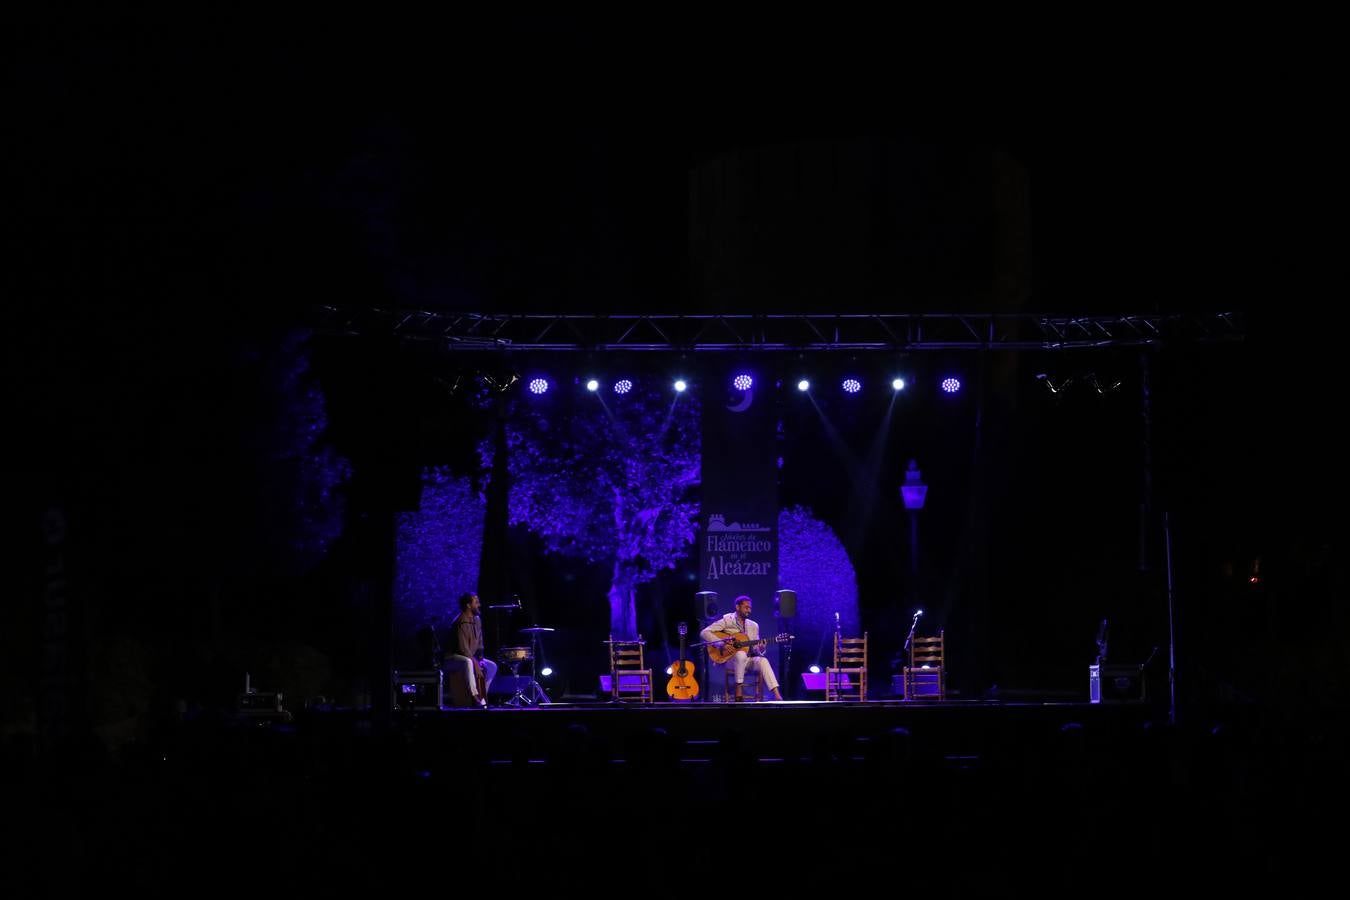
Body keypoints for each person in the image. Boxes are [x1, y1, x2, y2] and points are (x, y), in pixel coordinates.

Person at [700, 595, 783, 701]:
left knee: (763, 661)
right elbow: (704, 632)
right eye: (746, 607)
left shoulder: (754, 626)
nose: (749, 610)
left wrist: (761, 648)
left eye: (750, 608)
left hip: (748, 660)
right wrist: (721, 644)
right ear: (737, 607)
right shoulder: (727, 620)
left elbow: (755, 649)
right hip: (731, 660)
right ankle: (738, 689)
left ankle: (776, 694)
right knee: (740, 654)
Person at [447, 592, 497, 706]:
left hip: (469, 656)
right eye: (476, 602)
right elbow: (463, 649)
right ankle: (474, 697)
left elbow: (480, 643)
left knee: (492, 666)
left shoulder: (477, 620)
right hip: (452, 658)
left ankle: (483, 696)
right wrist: (475, 663)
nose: (479, 605)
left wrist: (480, 659)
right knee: (468, 662)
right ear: (468, 605)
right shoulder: (461, 621)